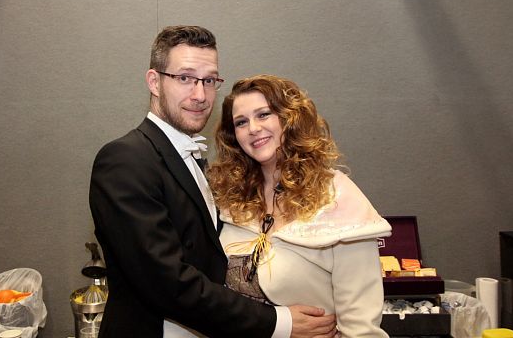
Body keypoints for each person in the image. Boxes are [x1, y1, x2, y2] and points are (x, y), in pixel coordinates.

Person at [89, 26, 337, 337]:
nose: (200, 95)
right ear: (154, 81)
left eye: (209, 81)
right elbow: (167, 283)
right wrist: (278, 322)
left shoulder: (196, 162)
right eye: (185, 78)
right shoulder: (125, 159)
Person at [207, 74, 392, 337]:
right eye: (241, 122)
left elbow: (361, 327)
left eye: (264, 114)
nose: (253, 129)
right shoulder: (230, 198)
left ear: (290, 118)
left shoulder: (336, 197)